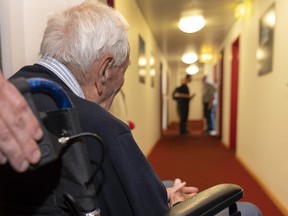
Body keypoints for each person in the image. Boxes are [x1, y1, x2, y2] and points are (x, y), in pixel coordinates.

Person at [0, 1, 262, 215]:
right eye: (122, 73)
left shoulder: (10, 98)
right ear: (104, 70)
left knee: (165, 185)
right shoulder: (102, 127)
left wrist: (160, 192)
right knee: (248, 209)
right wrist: (170, 201)